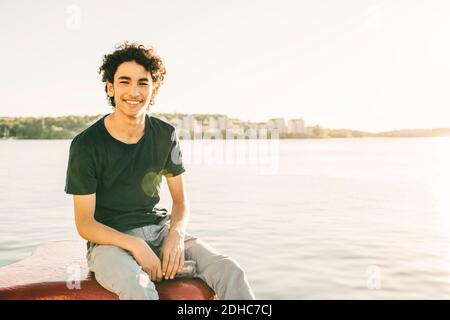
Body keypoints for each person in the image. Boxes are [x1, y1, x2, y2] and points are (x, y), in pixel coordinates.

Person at [64, 42, 255, 300]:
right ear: (110, 88)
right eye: (124, 81)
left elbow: (180, 201)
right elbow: (85, 223)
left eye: (143, 83)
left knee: (229, 270)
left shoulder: (166, 135)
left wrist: (175, 236)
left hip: (159, 230)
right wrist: (136, 245)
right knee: (138, 289)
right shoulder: (86, 145)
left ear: (154, 91)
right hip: (110, 244)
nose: (134, 91)